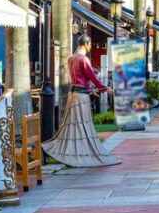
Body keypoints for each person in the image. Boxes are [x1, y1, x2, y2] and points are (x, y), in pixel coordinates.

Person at [43, 35, 119, 167]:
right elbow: (91, 77)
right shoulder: (83, 59)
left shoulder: (71, 58)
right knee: (82, 125)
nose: (90, 47)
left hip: (74, 94)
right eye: (90, 44)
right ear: (86, 43)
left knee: (73, 125)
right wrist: (105, 89)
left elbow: (80, 79)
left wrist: (91, 90)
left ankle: (72, 153)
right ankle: (80, 154)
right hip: (81, 97)